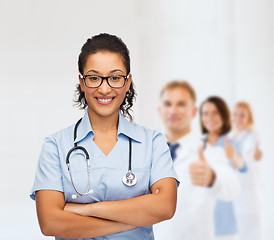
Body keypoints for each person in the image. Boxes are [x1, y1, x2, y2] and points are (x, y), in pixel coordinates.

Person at [30, 33, 178, 240]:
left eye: (115, 77)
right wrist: (134, 218)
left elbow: (165, 207)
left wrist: (84, 210)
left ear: (128, 83)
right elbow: (50, 222)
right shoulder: (56, 146)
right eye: (93, 78)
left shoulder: (152, 142)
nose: (104, 88)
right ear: (82, 82)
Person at [153, 81, 240, 240]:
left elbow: (232, 187)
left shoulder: (209, 152)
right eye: (168, 104)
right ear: (160, 110)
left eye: (181, 104)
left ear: (193, 112)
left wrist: (212, 178)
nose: (173, 110)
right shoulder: (152, 153)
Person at [200, 96, 247, 240]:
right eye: (206, 113)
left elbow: (242, 165)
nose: (210, 118)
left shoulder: (230, 143)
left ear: (223, 115)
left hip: (224, 220)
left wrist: (233, 157)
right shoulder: (198, 144)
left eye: (215, 113)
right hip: (201, 218)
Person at [230, 101, 263, 240]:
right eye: (235, 115)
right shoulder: (230, 138)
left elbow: (252, 153)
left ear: (249, 118)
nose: (238, 118)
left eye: (242, 115)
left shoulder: (252, 136)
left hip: (249, 199)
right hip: (234, 198)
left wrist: (253, 154)